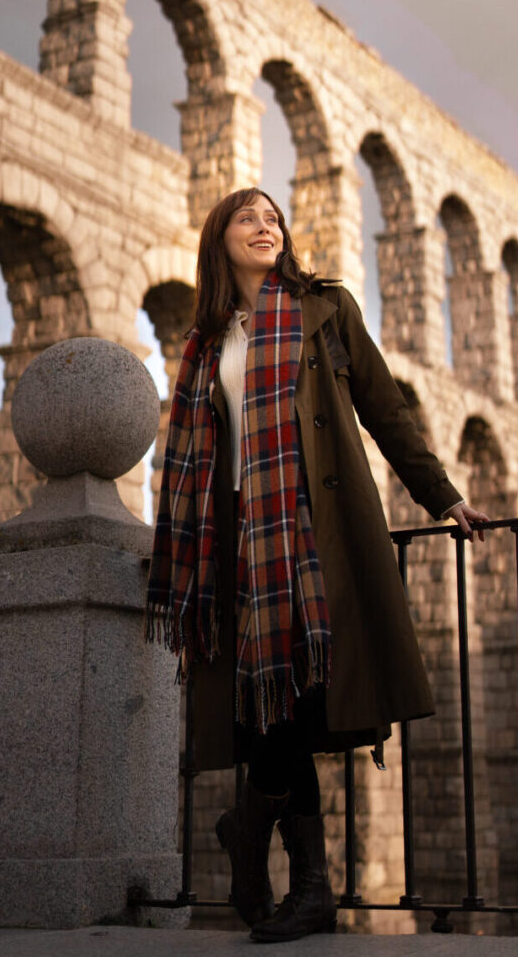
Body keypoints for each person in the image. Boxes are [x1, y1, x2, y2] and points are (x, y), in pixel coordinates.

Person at [146, 188, 489, 942]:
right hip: (233, 536)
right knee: (276, 703)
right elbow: (193, 451)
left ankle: (267, 845)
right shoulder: (206, 343)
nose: (265, 226)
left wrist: (443, 497)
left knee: (299, 693)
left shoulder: (323, 309)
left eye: (274, 218)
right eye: (248, 218)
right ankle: (302, 882)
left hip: (311, 530)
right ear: (219, 238)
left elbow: (385, 407)